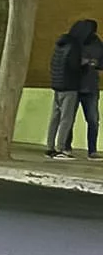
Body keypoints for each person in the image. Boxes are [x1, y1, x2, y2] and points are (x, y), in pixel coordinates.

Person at [46, 21, 88, 158]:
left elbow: (54, 63)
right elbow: (74, 66)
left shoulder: (60, 44)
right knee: (66, 118)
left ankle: (49, 147)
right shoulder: (74, 46)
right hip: (69, 86)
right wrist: (84, 64)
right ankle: (60, 148)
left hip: (57, 85)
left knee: (54, 118)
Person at [78, 21, 103, 159]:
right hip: (74, 86)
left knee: (93, 120)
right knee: (69, 119)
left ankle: (92, 151)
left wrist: (95, 63)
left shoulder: (97, 43)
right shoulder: (75, 42)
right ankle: (65, 148)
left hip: (91, 86)